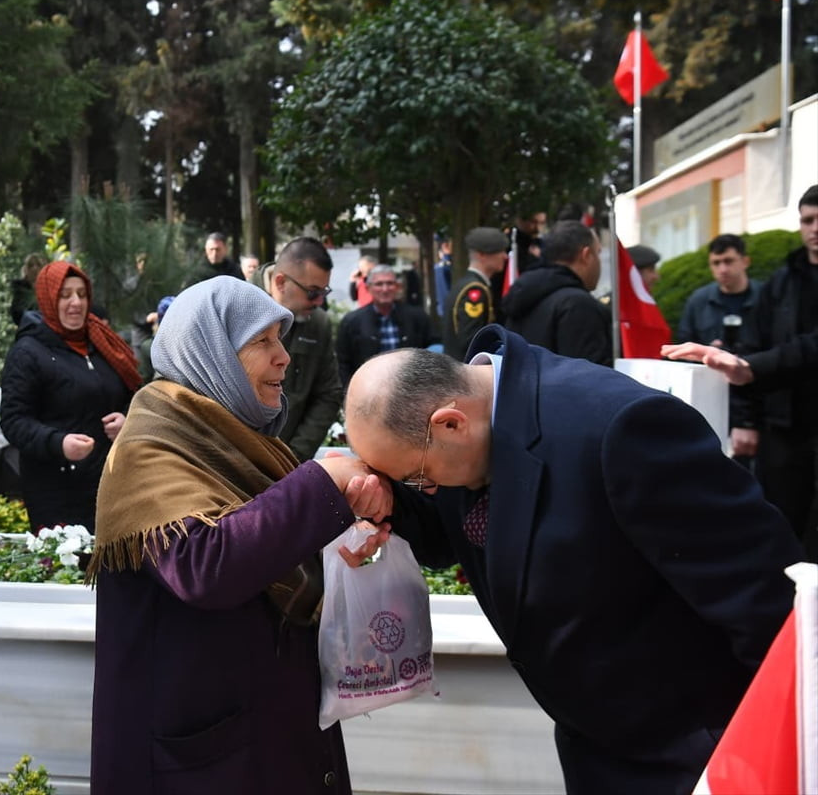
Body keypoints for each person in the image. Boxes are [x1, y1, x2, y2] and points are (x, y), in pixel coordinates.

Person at [343, 324, 803, 795]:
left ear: (451, 423)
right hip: (597, 746)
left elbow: (764, 598)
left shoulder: (620, 426)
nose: (429, 490)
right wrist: (387, 501)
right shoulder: (473, 425)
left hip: (694, 751)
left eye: (418, 478)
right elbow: (456, 533)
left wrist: (767, 749)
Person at [87, 276, 391, 795]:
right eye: (262, 342)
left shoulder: (237, 438)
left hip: (260, 730)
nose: (284, 358)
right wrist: (323, 483)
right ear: (211, 352)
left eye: (281, 339)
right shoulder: (150, 446)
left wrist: (341, 540)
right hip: (198, 753)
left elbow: (265, 546)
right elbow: (203, 566)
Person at [667, 185, 818, 552]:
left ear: (744, 262)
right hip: (784, 430)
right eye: (808, 220)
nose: (814, 228)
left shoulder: (766, 286)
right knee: (782, 530)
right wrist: (747, 418)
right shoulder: (784, 283)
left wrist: (749, 366)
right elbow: (756, 346)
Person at [0, 260, 141, 532]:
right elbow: (13, 420)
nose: (75, 302)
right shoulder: (28, 352)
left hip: (110, 483)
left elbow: (131, 393)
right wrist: (58, 443)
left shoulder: (102, 344)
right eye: (64, 295)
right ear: (48, 298)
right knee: (69, 572)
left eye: (81, 294)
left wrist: (127, 418)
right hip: (56, 491)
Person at [253, 237, 342, 461]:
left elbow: (328, 393)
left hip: (287, 463)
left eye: (324, 292)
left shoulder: (317, 324)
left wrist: (292, 457)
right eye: (312, 292)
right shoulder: (234, 309)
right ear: (281, 282)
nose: (319, 301)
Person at [502, 219, 611, 366]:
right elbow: (589, 378)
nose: (599, 262)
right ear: (585, 255)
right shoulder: (578, 305)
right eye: (597, 253)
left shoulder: (524, 295)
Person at [336, 264, 435, 387]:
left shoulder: (417, 317)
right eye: (379, 284)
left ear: (397, 287)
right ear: (368, 288)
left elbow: (434, 349)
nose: (385, 289)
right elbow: (343, 364)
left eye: (390, 283)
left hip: (410, 390)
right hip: (368, 390)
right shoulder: (352, 322)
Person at [677, 234, 761, 350]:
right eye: (716, 263)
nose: (723, 270)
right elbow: (684, 346)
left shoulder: (766, 297)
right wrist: (706, 352)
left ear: (745, 262)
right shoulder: (698, 301)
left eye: (729, 261)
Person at [442, 227, 508, 361]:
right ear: (482, 254)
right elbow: (471, 341)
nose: (505, 256)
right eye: (499, 251)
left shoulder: (465, 284)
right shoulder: (474, 290)